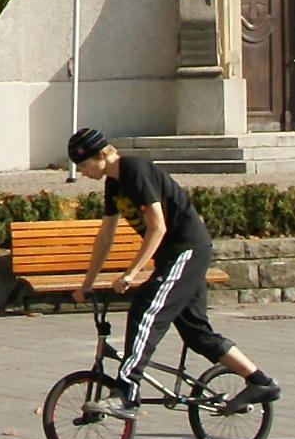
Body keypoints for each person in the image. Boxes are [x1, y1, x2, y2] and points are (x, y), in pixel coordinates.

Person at [66, 126, 280, 411]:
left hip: (186, 249)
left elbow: (158, 227)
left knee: (146, 309)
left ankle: (126, 390)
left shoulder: (134, 171)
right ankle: (261, 382)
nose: (82, 172)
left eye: (83, 165)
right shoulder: (114, 184)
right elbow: (106, 236)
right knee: (196, 334)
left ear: (102, 154)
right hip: (174, 256)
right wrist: (87, 283)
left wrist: (131, 273)